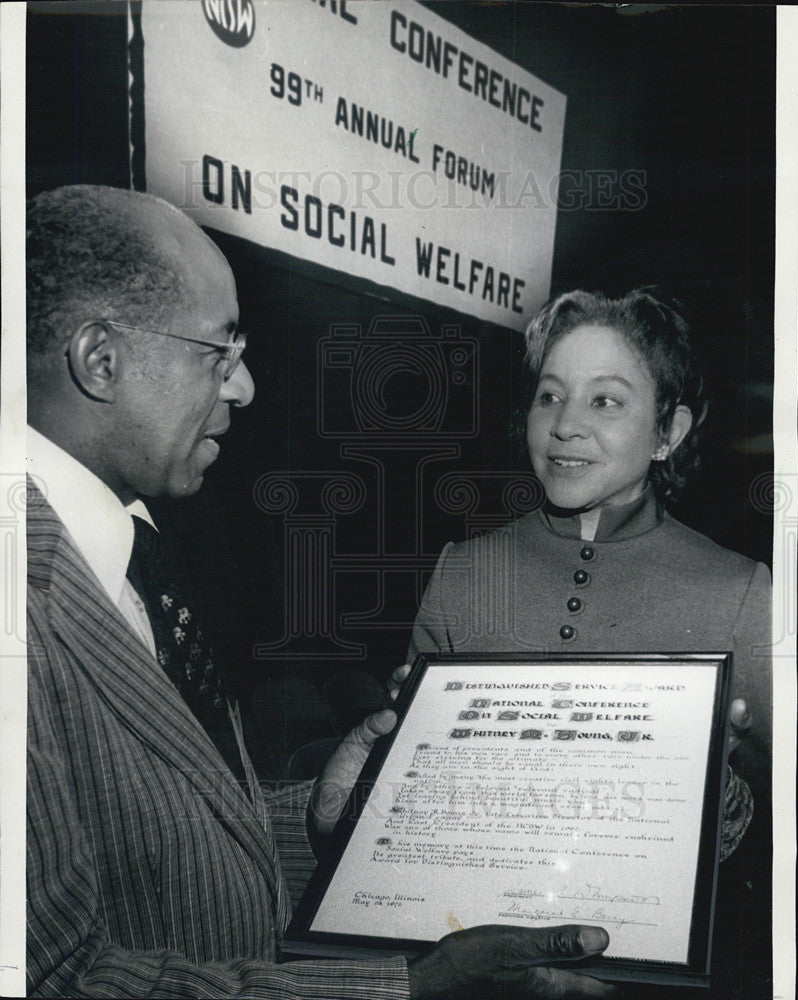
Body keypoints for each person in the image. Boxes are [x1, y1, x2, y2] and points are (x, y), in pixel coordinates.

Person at [25, 185, 616, 999]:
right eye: (219, 353)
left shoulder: (131, 543)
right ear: (101, 360)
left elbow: (155, 850)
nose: (245, 389)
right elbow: (60, 978)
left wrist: (320, 817)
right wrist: (409, 989)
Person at [403, 287, 773, 996]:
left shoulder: (743, 593)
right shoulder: (463, 569)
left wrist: (724, 807)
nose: (566, 425)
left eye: (606, 401)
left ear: (670, 431)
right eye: (549, 396)